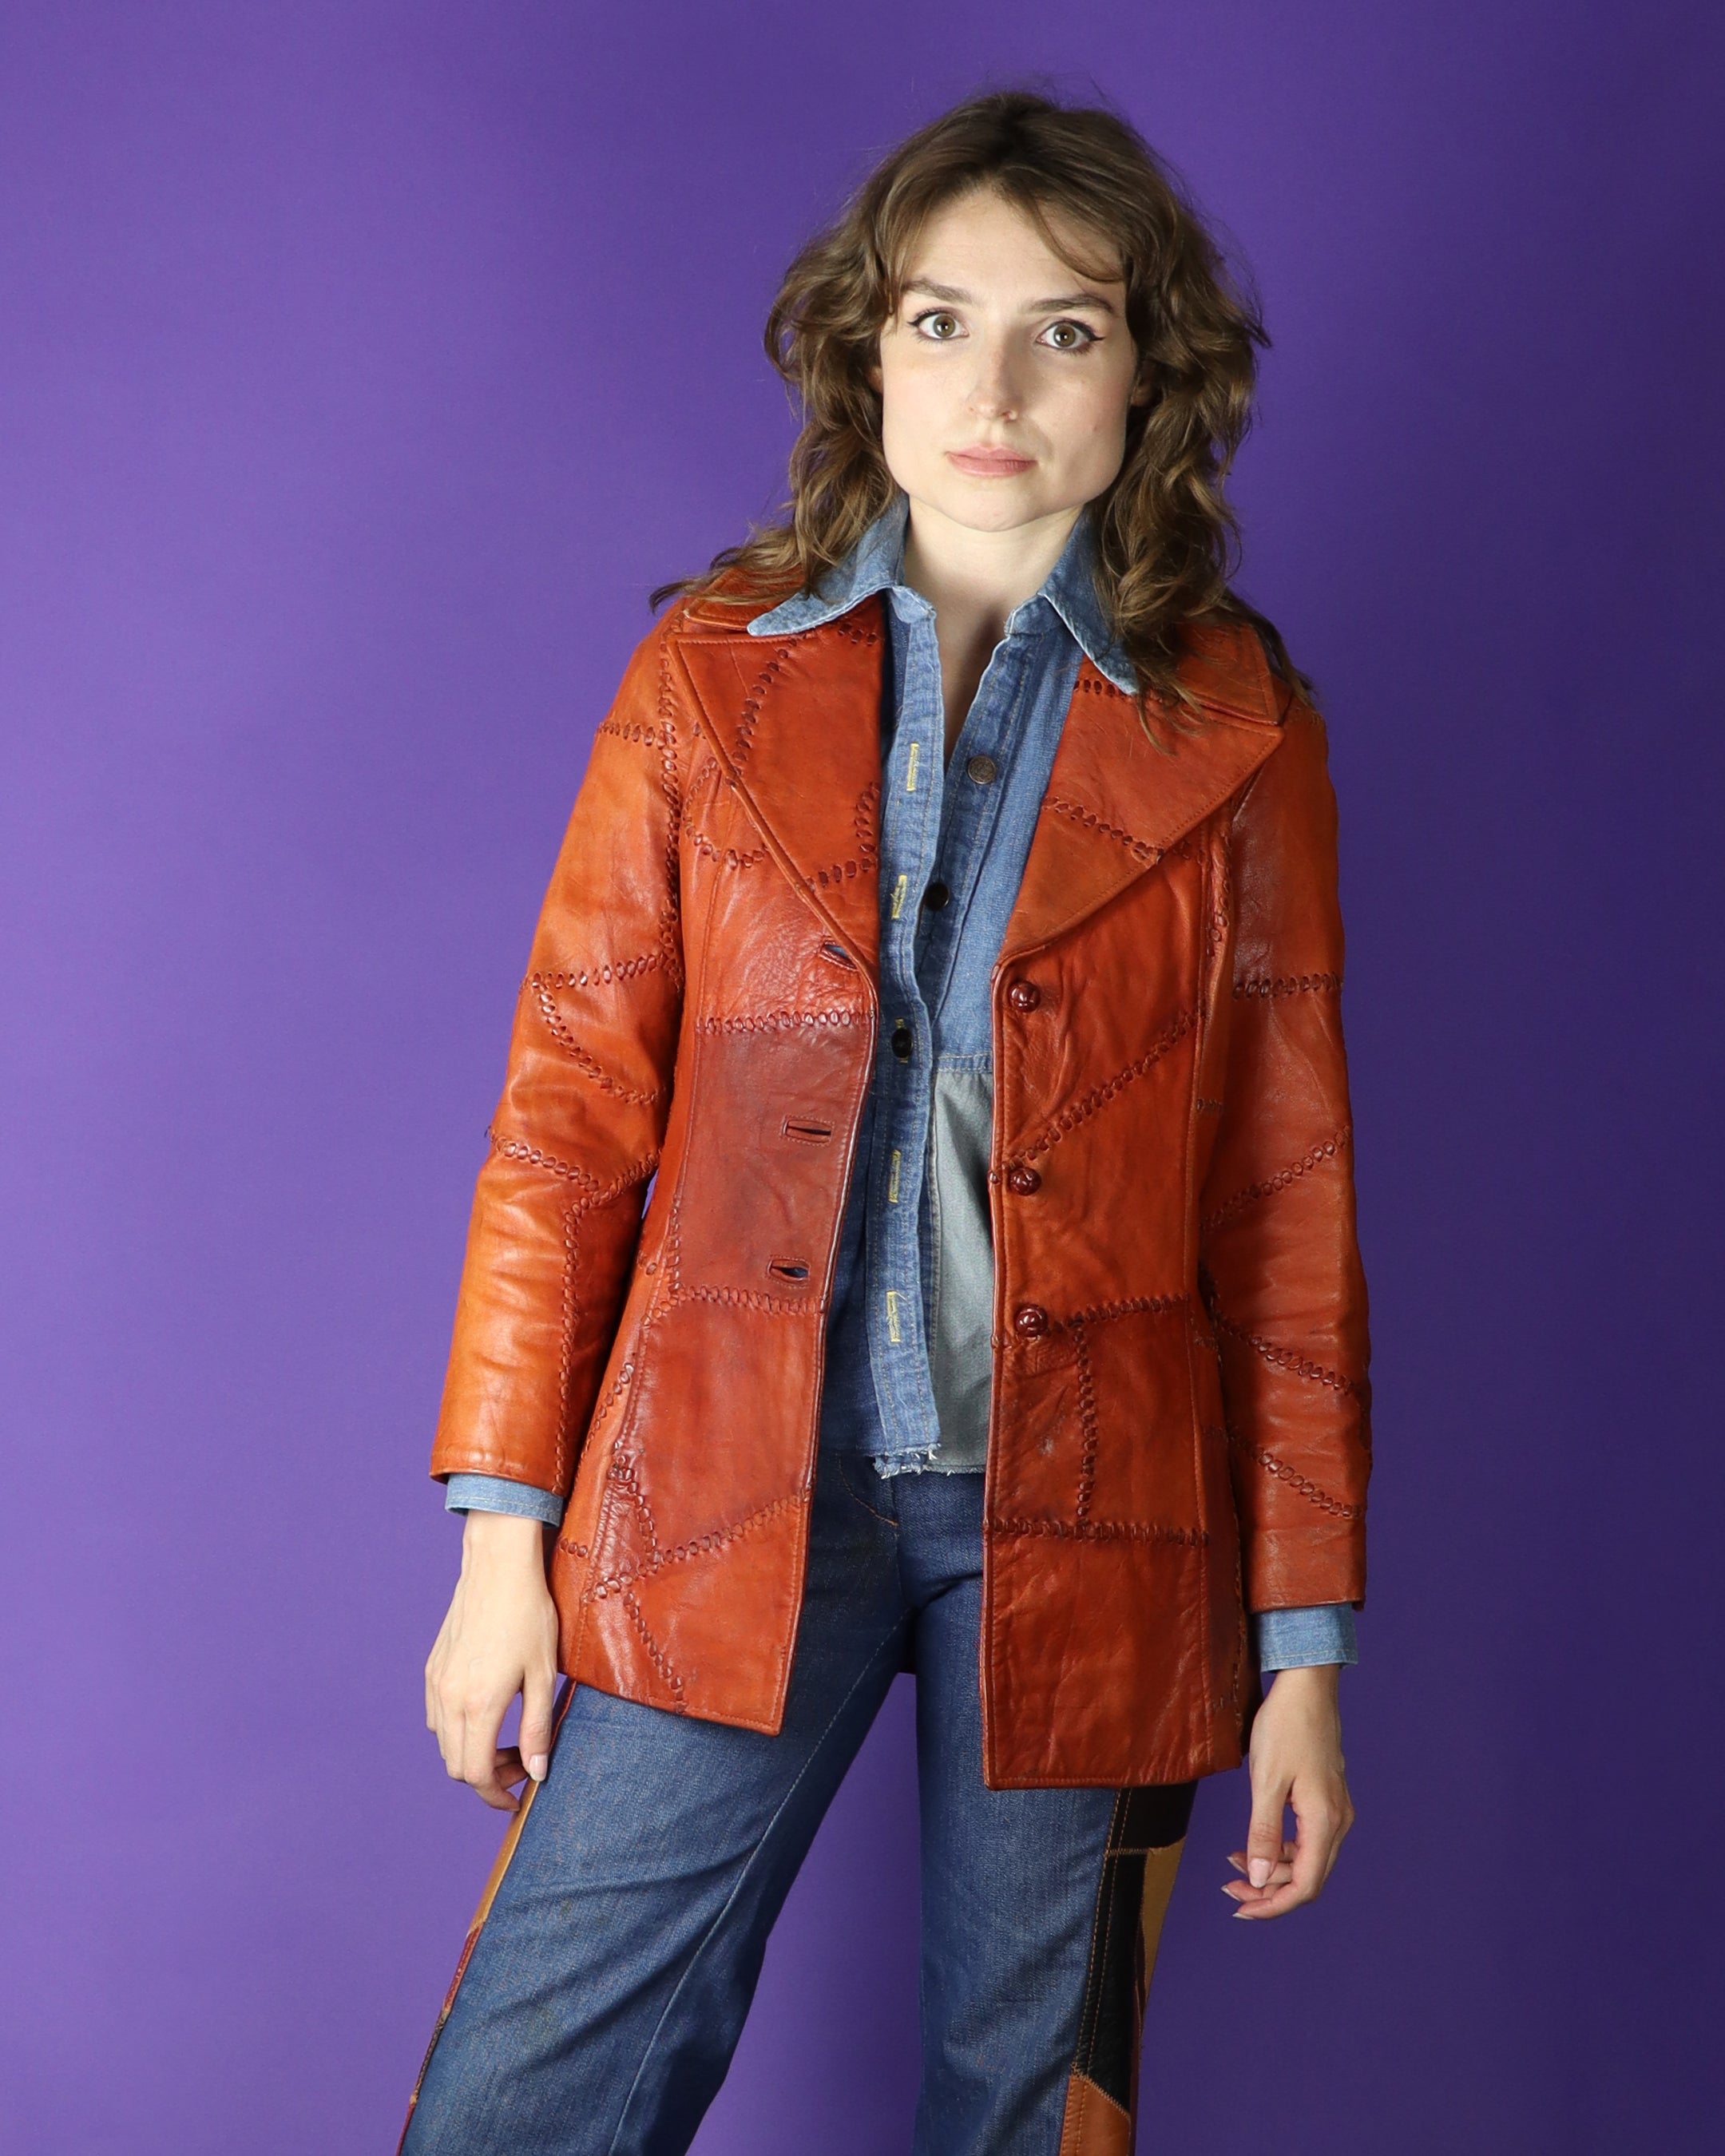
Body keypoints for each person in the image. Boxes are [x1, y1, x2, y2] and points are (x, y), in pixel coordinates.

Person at [400, 85, 1371, 2156]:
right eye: (941, 321)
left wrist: (1304, 1649)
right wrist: (503, 1541)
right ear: (867, 350)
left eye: (1064, 330)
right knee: (527, 2098)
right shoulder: (705, 678)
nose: (993, 388)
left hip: (1102, 1513)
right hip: (724, 1482)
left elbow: (1287, 1206)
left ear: (1148, 378)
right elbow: (567, 1118)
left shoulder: (1242, 730)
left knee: (1032, 2115)